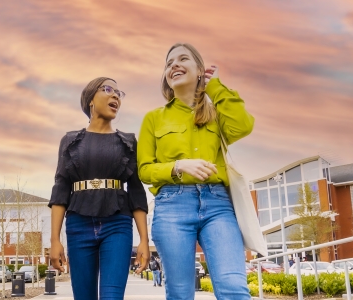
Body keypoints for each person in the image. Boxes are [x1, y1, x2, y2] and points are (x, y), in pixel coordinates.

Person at [138, 43, 254, 299]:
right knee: (180, 292)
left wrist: (215, 87)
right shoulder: (154, 118)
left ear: (200, 70)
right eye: (169, 63)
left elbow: (244, 126)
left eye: (183, 59)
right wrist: (178, 167)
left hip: (218, 206)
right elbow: (144, 170)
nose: (174, 65)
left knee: (234, 287)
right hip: (172, 207)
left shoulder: (215, 115)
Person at [49, 77, 150, 300]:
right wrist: (54, 240)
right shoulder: (70, 141)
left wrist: (144, 239)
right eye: (108, 89)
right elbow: (60, 190)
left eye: (118, 92)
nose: (115, 95)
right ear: (90, 99)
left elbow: (136, 191)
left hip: (118, 225)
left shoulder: (128, 142)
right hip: (78, 225)